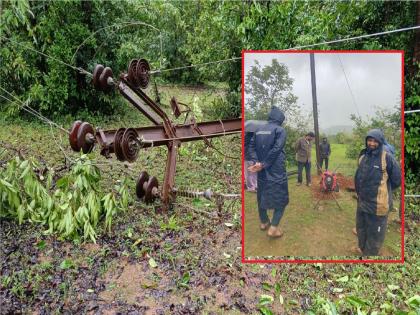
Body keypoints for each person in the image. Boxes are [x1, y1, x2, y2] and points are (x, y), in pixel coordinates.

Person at [353, 129, 401, 256]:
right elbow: (359, 175)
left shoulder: (387, 158)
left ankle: (370, 255)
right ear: (366, 141)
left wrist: (383, 192)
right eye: (369, 140)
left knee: (375, 234)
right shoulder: (363, 155)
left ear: (380, 142)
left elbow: (396, 180)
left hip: (378, 206)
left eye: (375, 141)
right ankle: (363, 249)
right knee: (361, 229)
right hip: (362, 202)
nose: (372, 143)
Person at [247, 107, 289, 238]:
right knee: (281, 199)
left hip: (262, 170)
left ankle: (264, 222)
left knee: (261, 195)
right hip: (276, 170)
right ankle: (274, 228)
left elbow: (251, 147)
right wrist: (263, 164)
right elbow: (277, 149)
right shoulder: (280, 130)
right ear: (280, 119)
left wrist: (256, 162)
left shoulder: (258, 130)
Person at [244, 126, 257, 192]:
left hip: (248, 157)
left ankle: (251, 187)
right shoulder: (255, 137)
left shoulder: (246, 138)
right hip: (254, 158)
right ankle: (255, 186)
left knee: (248, 174)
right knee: (254, 173)